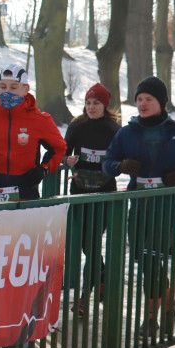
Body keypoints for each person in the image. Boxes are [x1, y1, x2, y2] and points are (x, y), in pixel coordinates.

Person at [103, 76, 175, 339]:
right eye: (139, 99)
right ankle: (170, 306)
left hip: (169, 202)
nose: (143, 104)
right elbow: (108, 161)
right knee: (143, 257)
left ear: (161, 103)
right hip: (139, 201)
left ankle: (150, 319)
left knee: (153, 258)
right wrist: (120, 167)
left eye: (149, 99)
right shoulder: (127, 132)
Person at [0, 63, 66, 203]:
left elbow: (59, 148)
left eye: (13, 87)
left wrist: (43, 169)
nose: (7, 92)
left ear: (26, 89)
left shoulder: (41, 120)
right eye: (3, 87)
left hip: (25, 193)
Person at [63, 82, 121, 316]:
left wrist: (114, 166)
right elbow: (63, 151)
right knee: (86, 244)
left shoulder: (113, 129)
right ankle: (104, 279)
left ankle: (85, 296)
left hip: (104, 191)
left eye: (96, 103)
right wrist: (67, 160)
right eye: (88, 102)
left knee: (93, 241)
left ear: (105, 105)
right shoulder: (77, 125)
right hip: (79, 189)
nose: (91, 107)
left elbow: (120, 158)